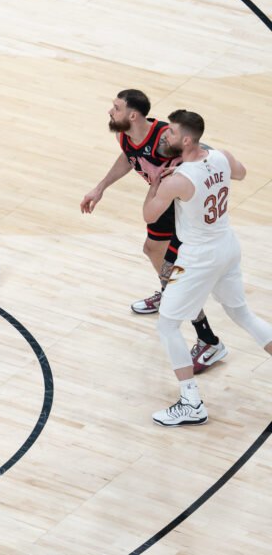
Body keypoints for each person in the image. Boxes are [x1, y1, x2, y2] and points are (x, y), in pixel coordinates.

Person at [142, 110, 272, 426]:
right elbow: (240, 173)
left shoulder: (177, 179)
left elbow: (149, 215)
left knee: (168, 325)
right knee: (242, 314)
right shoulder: (221, 157)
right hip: (227, 245)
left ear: (186, 139)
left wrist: (156, 183)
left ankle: (191, 402)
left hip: (198, 257)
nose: (164, 136)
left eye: (170, 132)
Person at [80, 90, 225, 374]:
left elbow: (201, 151)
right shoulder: (125, 133)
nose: (110, 111)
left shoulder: (163, 140)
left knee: (175, 271)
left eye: (116, 107)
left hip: (182, 206)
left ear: (133, 115)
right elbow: (128, 157)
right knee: (155, 253)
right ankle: (168, 292)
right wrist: (100, 187)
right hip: (163, 198)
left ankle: (208, 339)